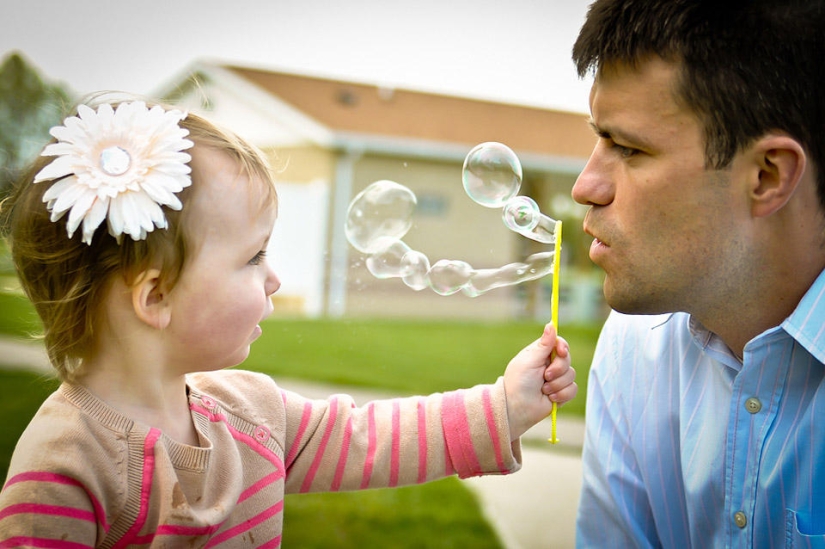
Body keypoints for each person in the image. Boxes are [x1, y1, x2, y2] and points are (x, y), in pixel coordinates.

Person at [0, 98, 577, 547]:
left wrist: (506, 405)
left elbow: (369, 440)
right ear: (154, 296)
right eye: (253, 258)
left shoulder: (249, 413)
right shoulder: (63, 473)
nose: (274, 279)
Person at [569, 0, 825, 547]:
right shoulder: (633, 349)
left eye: (628, 147)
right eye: (598, 138)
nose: (585, 187)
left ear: (766, 175)